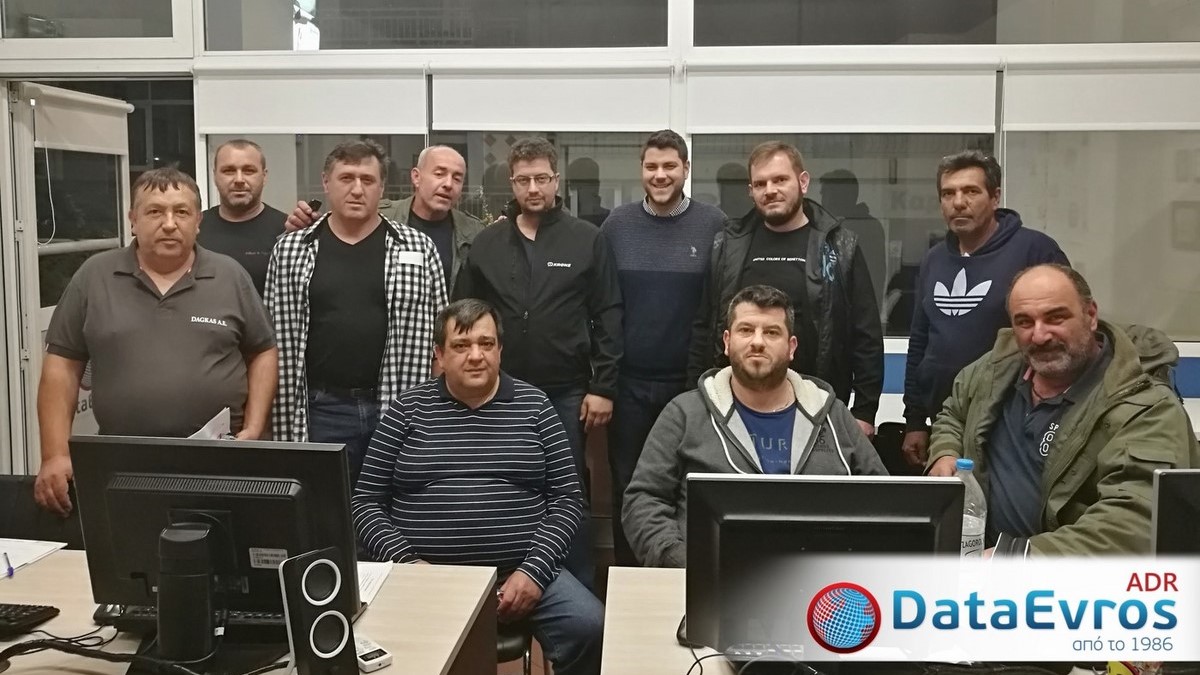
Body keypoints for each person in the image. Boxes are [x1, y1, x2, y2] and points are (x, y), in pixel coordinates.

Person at [352, 299, 603, 675]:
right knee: (367, 643)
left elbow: (568, 500)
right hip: (419, 576)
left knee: (590, 627)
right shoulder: (406, 411)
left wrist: (534, 571)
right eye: (461, 345)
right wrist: (409, 565)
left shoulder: (536, 407)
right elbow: (365, 503)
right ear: (439, 354)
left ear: (500, 350)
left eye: (486, 344)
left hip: (520, 571)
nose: (475, 356)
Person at [35, 168, 278, 516]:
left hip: (220, 461)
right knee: (126, 546)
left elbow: (263, 351)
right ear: (133, 219)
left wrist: (254, 427)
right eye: (154, 211)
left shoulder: (230, 275)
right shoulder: (94, 276)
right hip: (121, 463)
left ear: (198, 221)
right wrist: (55, 454)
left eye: (182, 212)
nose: (169, 224)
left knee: (218, 546)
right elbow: (62, 367)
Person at [927, 264, 1199, 555]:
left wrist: (1014, 558)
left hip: (1070, 578)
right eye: (1024, 322)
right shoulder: (994, 369)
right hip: (979, 559)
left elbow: (1133, 524)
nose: (1039, 336)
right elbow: (954, 413)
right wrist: (945, 451)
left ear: (1090, 315)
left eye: (1055, 317)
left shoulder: (1147, 407)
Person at [453, 137, 622, 590]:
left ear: (556, 180)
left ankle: (577, 586)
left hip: (565, 390)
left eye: (542, 178)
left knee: (568, 489)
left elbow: (608, 314)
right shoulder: (487, 243)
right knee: (499, 483)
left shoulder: (586, 239)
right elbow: (464, 313)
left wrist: (603, 386)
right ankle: (500, 577)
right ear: (512, 183)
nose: (533, 188)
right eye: (524, 180)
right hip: (498, 393)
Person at [625, 285, 887, 567]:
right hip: (708, 577)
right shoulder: (684, 414)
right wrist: (682, 562)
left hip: (820, 581)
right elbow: (643, 499)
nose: (757, 342)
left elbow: (885, 501)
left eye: (772, 332)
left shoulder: (833, 416)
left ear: (791, 347)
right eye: (746, 330)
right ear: (727, 342)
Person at [266, 139, 447, 484]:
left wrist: (437, 411)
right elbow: (271, 339)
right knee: (326, 506)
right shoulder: (290, 250)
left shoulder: (419, 248)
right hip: (321, 409)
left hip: (402, 407)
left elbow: (443, 341)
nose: (357, 189)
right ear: (326, 182)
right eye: (346, 178)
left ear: (382, 187)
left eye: (368, 180)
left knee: (397, 503)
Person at [688, 141, 883, 439]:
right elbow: (704, 326)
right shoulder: (727, 246)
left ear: (803, 182)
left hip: (817, 409)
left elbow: (866, 333)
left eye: (780, 180)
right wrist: (696, 400)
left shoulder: (839, 247)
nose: (770, 190)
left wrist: (865, 412)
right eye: (760, 183)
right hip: (735, 410)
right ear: (751, 191)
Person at [597, 129, 726, 566]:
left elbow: (719, 305)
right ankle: (629, 582)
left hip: (692, 388)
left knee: (688, 487)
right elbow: (604, 306)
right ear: (641, 170)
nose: (660, 174)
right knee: (629, 487)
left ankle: (684, 578)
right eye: (651, 166)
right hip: (629, 386)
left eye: (670, 166)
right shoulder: (617, 226)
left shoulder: (714, 225)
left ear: (686, 169)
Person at [902, 151, 1068, 470]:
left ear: (995, 197)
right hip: (945, 421)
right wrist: (915, 419)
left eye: (971, 191)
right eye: (948, 193)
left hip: (1013, 422)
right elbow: (920, 341)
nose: (958, 202)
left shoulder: (1034, 250)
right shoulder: (934, 259)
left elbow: (1062, 334)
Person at [287, 145, 484, 293]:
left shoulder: (475, 233)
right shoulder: (379, 217)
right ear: (416, 177)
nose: (448, 184)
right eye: (439, 174)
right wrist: (302, 227)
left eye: (457, 178)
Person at [198, 139, 288, 296]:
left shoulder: (286, 231)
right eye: (229, 171)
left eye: (248, 171)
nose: (239, 180)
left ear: (264, 176)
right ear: (215, 176)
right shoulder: (195, 228)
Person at [818, 168, 886, 311]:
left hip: (854, 311)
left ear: (839, 196)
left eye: (825, 193)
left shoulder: (865, 228)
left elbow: (873, 277)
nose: (822, 199)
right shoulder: (827, 226)